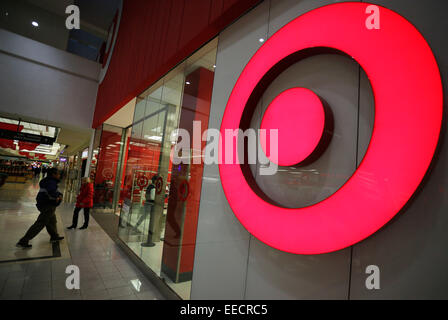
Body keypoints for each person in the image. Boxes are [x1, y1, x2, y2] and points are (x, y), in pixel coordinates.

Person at [16, 168, 64, 249]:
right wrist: (58, 196)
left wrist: (58, 194)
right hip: (48, 205)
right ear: (53, 174)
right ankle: (24, 240)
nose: (59, 175)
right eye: (58, 174)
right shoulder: (51, 182)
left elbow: (49, 191)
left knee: (52, 221)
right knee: (40, 223)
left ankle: (54, 236)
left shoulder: (47, 181)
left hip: (43, 203)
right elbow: (51, 191)